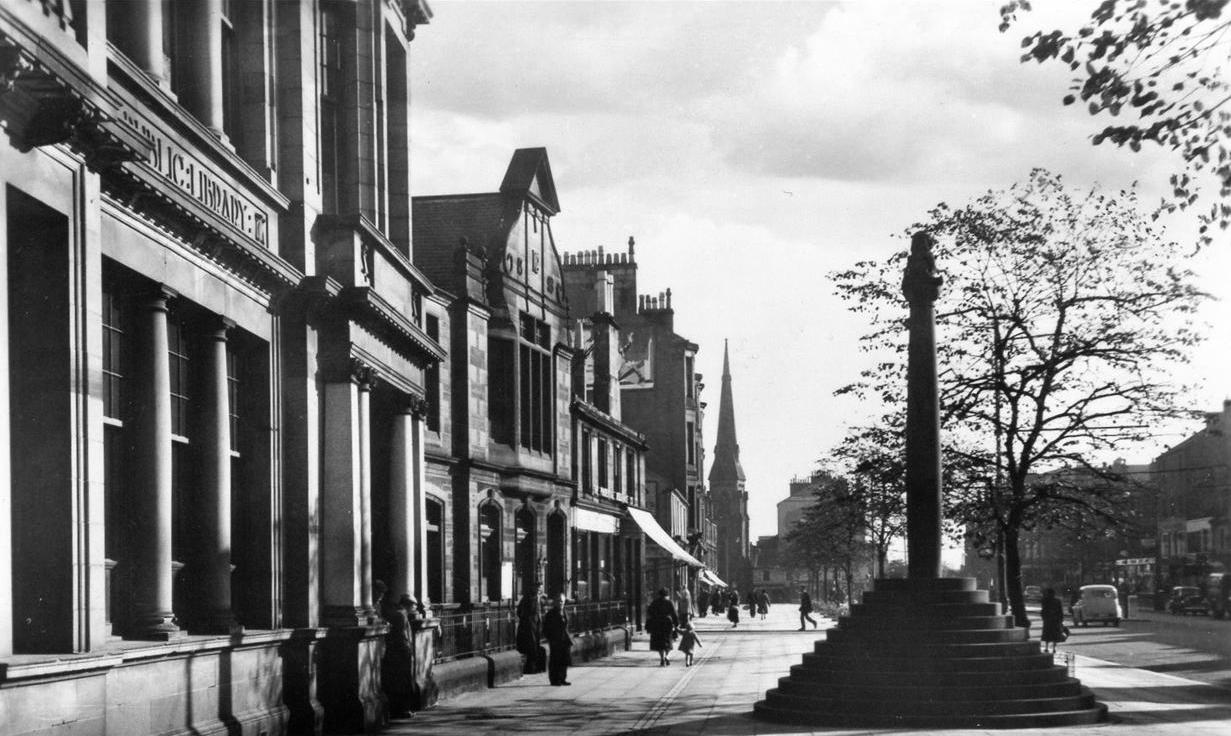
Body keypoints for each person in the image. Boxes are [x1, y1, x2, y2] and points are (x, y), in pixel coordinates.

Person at [378, 583, 413, 717]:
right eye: (412, 606)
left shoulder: (399, 614)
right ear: (407, 605)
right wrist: (408, 649)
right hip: (402, 651)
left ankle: (402, 709)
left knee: (400, 681)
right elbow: (402, 635)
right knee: (402, 681)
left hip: (399, 650)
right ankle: (402, 709)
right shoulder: (401, 615)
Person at [542, 592, 573, 685]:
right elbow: (546, 628)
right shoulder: (551, 614)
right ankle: (555, 679)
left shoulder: (565, 612)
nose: (561, 603)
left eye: (562, 601)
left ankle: (562, 678)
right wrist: (551, 638)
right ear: (555, 602)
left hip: (565, 640)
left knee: (564, 659)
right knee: (555, 660)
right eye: (559, 601)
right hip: (555, 640)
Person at [516, 583, 545, 674]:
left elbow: (540, 611)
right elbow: (520, 611)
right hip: (530, 625)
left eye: (540, 588)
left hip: (536, 625)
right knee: (531, 647)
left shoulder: (539, 598)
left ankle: (534, 667)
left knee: (535, 645)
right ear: (534, 588)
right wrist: (527, 620)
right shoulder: (529, 598)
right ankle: (531, 668)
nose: (539, 590)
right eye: (538, 588)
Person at [646, 588, 678, 665]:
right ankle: (667, 656)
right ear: (667, 594)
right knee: (668, 640)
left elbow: (649, 612)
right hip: (667, 623)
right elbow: (674, 614)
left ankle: (662, 658)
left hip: (657, 623)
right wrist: (676, 623)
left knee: (659, 642)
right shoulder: (669, 602)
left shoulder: (655, 602)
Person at [1039, 587, 1066, 653]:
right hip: (1055, 620)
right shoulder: (1057, 601)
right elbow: (1060, 611)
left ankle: (1046, 647)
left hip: (1048, 620)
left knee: (1047, 634)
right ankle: (1053, 648)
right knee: (1055, 635)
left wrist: (1044, 617)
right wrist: (1061, 619)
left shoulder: (1045, 600)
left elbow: (1043, 610)